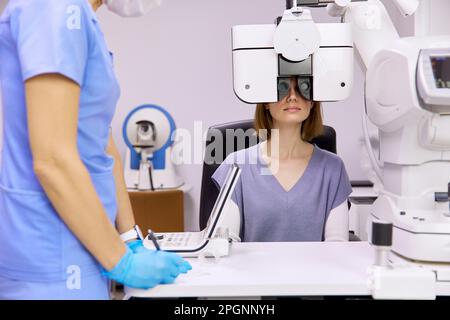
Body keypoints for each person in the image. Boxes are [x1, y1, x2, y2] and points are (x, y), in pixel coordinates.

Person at [0, 0, 191, 300]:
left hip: (84, 241)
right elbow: (52, 160)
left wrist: (129, 239)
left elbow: (100, 139)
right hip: (51, 253)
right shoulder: (54, 7)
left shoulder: (81, 20)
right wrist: (121, 261)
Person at [212, 77, 353, 242]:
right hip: (253, 268)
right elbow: (226, 241)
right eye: (282, 87)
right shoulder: (237, 164)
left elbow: (337, 245)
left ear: (313, 101)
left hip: (314, 268)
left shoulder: (332, 168)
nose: (293, 96)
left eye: (303, 87)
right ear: (266, 101)